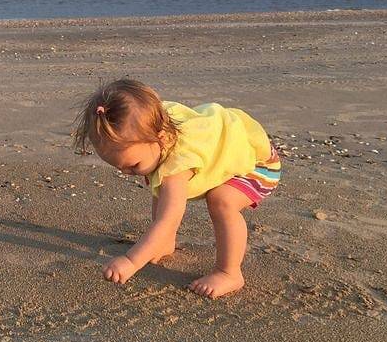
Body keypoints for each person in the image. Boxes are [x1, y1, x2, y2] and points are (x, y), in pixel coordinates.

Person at [72, 79, 281, 298]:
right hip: (223, 148)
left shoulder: (176, 166)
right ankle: (164, 243)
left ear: (160, 137)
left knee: (221, 201)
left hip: (257, 164)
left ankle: (229, 272)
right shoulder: (151, 123)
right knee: (158, 183)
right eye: (118, 167)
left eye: (133, 166)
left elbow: (168, 219)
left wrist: (131, 260)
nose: (127, 173)